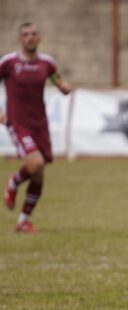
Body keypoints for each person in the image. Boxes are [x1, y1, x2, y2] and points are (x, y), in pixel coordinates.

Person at [1, 22, 72, 233]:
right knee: (36, 163)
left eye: (34, 34)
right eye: (25, 34)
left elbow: (57, 77)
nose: (30, 38)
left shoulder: (47, 63)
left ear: (39, 38)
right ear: (20, 39)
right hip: (18, 122)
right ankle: (13, 183)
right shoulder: (9, 63)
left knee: (39, 173)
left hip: (40, 123)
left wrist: (62, 86)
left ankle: (23, 221)